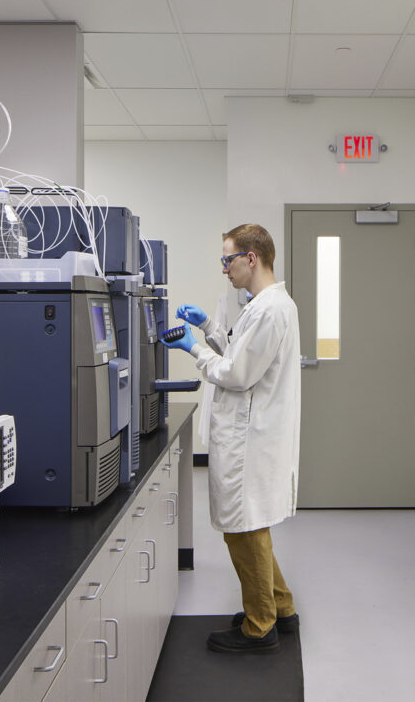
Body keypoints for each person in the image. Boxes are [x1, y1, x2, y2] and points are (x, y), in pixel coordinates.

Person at [162, 223, 301, 654]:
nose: (224, 268)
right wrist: (209, 328)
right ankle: (281, 607)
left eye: (228, 259)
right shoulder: (267, 305)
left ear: (251, 258)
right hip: (253, 434)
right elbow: (243, 354)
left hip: (248, 439)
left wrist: (194, 350)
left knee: (244, 531)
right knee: (250, 526)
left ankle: (260, 626)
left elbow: (237, 374)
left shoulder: (267, 310)